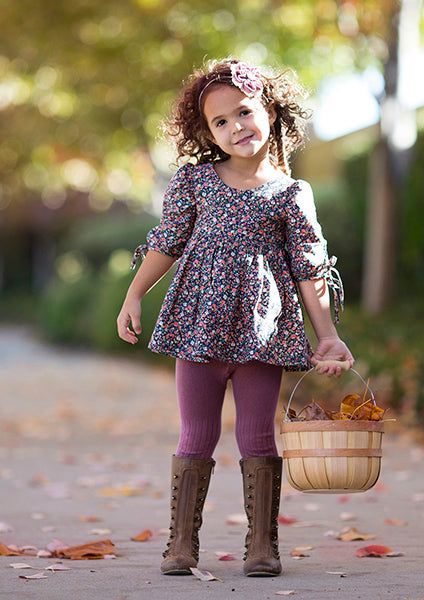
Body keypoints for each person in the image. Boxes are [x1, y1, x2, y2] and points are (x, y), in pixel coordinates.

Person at [115, 58, 354, 578]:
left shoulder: (293, 194)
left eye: (244, 112)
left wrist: (329, 336)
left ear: (270, 110)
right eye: (220, 122)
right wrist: (133, 295)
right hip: (199, 329)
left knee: (257, 436)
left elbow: (310, 268)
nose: (235, 127)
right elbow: (166, 243)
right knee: (195, 434)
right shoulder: (194, 183)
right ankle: (181, 544)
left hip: (261, 335)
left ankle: (263, 546)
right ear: (207, 132)